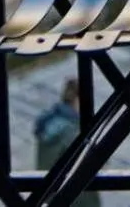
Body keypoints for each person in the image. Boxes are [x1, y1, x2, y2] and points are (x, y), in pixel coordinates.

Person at [34, 78, 101, 207]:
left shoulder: (49, 123)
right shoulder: (73, 131)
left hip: (48, 194)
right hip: (77, 197)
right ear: (76, 99)